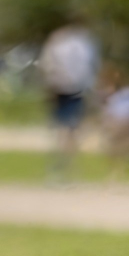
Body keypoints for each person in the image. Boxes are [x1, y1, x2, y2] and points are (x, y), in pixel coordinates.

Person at [41, 19, 100, 178]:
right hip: (76, 89)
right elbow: (90, 67)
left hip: (60, 87)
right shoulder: (84, 43)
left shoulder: (57, 42)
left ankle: (63, 164)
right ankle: (67, 164)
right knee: (71, 128)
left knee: (63, 127)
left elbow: (48, 67)